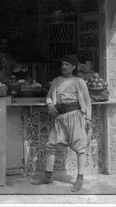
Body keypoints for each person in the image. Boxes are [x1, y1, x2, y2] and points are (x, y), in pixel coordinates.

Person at [32, 55, 92, 192]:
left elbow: (88, 101)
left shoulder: (79, 81)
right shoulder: (56, 81)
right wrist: (50, 104)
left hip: (76, 116)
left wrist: (88, 118)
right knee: (50, 145)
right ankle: (48, 176)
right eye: (63, 64)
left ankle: (79, 179)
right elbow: (48, 96)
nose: (64, 67)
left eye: (67, 64)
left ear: (73, 67)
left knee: (80, 147)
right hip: (60, 118)